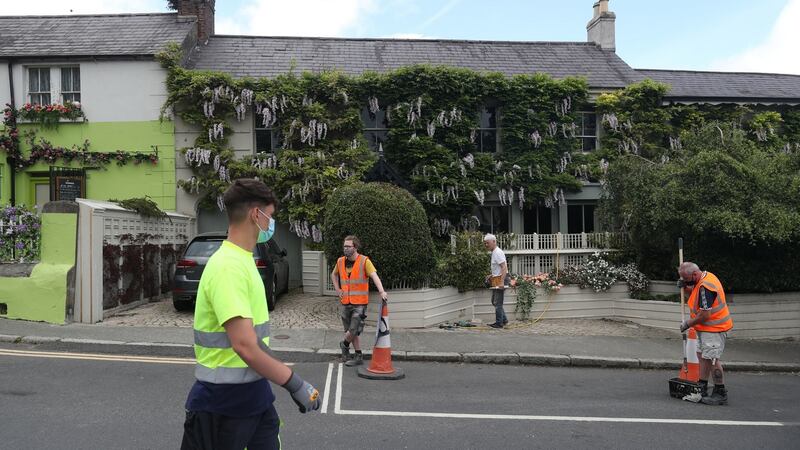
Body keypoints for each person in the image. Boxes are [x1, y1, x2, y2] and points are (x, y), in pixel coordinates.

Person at [181, 179, 320, 450]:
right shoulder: (228, 267)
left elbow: (255, 340)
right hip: (223, 407)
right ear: (256, 214)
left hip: (253, 396)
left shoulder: (243, 261)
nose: (271, 224)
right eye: (271, 217)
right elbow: (244, 344)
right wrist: (295, 383)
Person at [678, 261, 733, 406]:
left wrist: (687, 324)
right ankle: (701, 386)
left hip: (714, 329)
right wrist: (686, 287)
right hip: (706, 329)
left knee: (713, 359)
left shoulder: (705, 287)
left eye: (686, 278)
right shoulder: (704, 278)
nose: (686, 281)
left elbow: (705, 315)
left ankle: (720, 392)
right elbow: (698, 299)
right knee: (702, 356)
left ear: (694, 274)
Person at [331, 235, 389, 366]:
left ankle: (344, 344)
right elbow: (333, 275)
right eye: (344, 246)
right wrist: (337, 289)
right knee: (351, 332)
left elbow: (374, 276)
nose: (345, 249)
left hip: (360, 303)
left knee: (354, 330)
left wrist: (381, 291)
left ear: (355, 247)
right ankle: (358, 355)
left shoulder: (364, 261)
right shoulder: (340, 261)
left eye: (348, 246)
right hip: (345, 301)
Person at [483, 233, 509, 329]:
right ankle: (504, 320)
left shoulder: (497, 252)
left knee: (497, 302)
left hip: (500, 279)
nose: (486, 245)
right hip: (496, 278)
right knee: (494, 302)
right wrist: (491, 275)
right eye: (485, 243)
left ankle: (499, 323)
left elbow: (504, 267)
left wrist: (502, 282)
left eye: (487, 243)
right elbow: (499, 267)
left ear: (494, 242)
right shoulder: (494, 252)